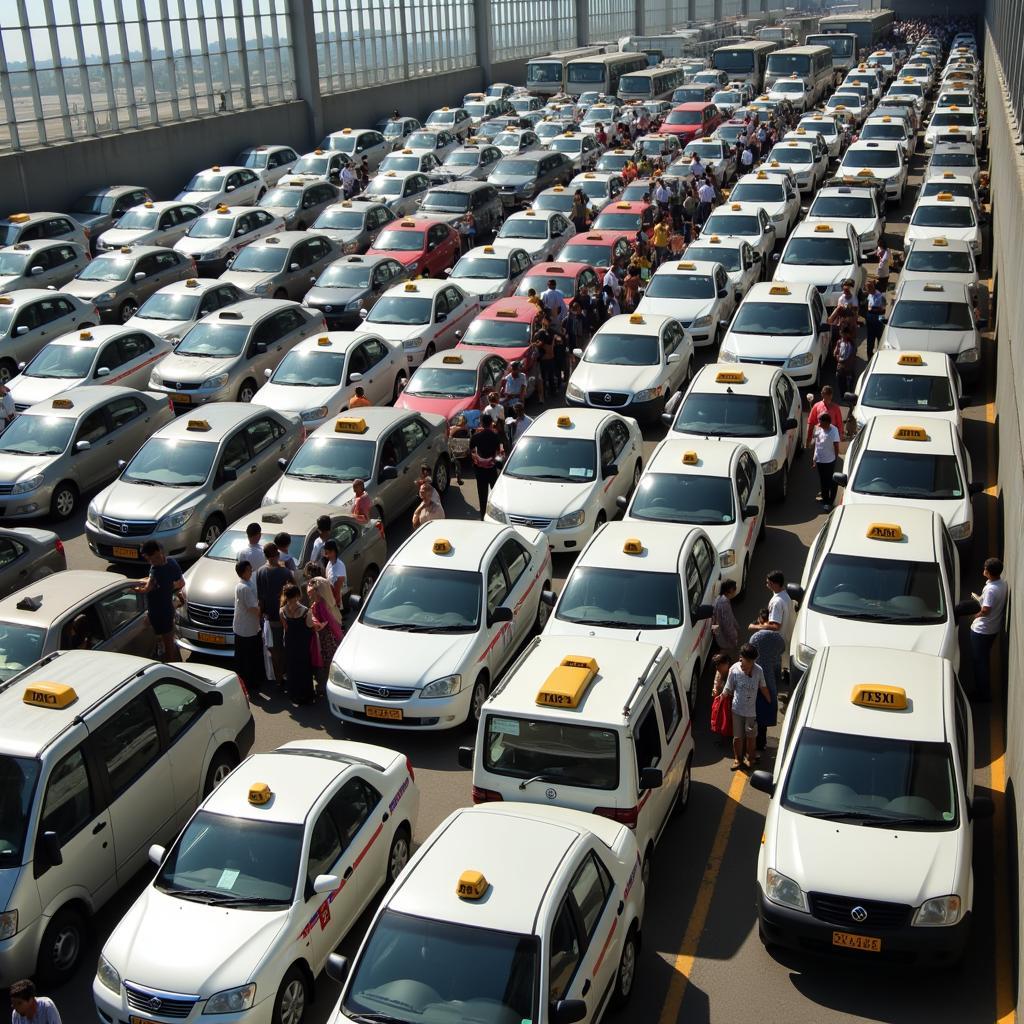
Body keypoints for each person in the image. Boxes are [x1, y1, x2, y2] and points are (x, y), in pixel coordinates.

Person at [714, 644, 772, 770]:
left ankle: (750, 759)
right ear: (742, 658)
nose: (751, 663)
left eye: (753, 661)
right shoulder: (734, 669)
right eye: (749, 660)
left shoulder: (758, 670)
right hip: (737, 710)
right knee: (737, 737)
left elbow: (763, 687)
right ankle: (737, 759)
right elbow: (728, 688)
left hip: (751, 712)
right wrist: (720, 698)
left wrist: (770, 702)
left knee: (751, 737)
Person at [134, 541, 184, 662]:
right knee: (165, 641)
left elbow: (146, 589)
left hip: (161, 613)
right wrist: (170, 588)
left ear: (158, 552)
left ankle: (170, 665)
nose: (150, 561)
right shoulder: (169, 563)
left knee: (168, 644)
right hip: (159, 611)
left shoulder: (156, 570)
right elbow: (180, 582)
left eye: (150, 558)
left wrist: (133, 588)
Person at [970, 557, 1008, 700]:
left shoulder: (991, 590)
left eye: (985, 568)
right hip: (992, 628)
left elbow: (986, 609)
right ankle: (983, 691)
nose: (984, 569)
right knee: (983, 659)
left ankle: (982, 694)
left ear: (989, 572)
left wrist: (976, 615)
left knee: (979, 662)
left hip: (982, 630)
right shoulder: (1001, 584)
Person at [256, 543, 292, 686]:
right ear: (277, 555)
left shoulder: (260, 572)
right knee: (283, 648)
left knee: (273, 649)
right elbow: (294, 592)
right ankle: (284, 675)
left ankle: (278, 679)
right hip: (285, 616)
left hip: (268, 618)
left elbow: (261, 599)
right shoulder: (284, 572)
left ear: (265, 556)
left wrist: (260, 616)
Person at [750, 609, 785, 751]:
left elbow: (749, 657)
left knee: (752, 716)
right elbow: (781, 653)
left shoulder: (755, 638)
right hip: (771, 681)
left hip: (755, 682)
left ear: (760, 620)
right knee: (764, 717)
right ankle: (761, 743)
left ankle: (752, 746)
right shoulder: (778, 639)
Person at [280, 583, 315, 705]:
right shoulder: (306, 611)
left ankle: (294, 694)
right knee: (304, 669)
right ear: (298, 596)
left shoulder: (282, 611)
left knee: (292, 668)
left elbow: (286, 628)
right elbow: (311, 626)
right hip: (302, 644)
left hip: (290, 643)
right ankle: (305, 695)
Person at [233, 560, 265, 695]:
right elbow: (253, 608)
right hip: (247, 629)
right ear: (243, 572)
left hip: (245, 627)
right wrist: (262, 612)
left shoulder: (246, 584)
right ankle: (249, 683)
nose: (251, 571)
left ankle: (248, 680)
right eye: (249, 569)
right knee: (247, 658)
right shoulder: (244, 588)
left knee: (245, 656)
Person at [470, 413, 502, 518]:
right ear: (491, 423)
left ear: (482, 423)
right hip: (492, 468)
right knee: (494, 492)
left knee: (482, 494)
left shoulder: (476, 437)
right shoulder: (496, 436)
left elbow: (471, 450)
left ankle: (483, 515)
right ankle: (496, 514)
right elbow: (499, 451)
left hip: (480, 470)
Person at [811, 411, 841, 510]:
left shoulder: (834, 430)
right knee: (823, 481)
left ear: (827, 422)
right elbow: (817, 443)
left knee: (828, 481)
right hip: (820, 460)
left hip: (829, 461)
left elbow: (836, 446)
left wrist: (835, 458)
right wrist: (814, 457)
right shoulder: (819, 429)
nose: (819, 424)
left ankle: (829, 502)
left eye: (821, 422)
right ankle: (824, 499)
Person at [712, 579, 740, 662]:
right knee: (726, 653)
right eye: (735, 589)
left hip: (718, 633)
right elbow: (727, 624)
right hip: (724, 636)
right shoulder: (724, 603)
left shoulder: (719, 598)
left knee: (723, 652)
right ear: (731, 590)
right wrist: (734, 637)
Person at [864, 278, 886, 359]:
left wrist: (871, 309)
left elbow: (881, 309)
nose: (868, 289)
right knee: (870, 342)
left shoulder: (879, 295)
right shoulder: (870, 295)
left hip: (877, 321)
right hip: (870, 321)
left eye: (869, 287)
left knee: (879, 340)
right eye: (867, 287)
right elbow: (869, 307)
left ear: (873, 286)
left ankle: (881, 358)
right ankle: (869, 358)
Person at [322, 539, 346, 606]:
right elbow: (327, 579)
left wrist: (335, 604)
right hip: (331, 599)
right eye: (326, 553)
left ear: (334, 551)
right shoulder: (329, 564)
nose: (327, 555)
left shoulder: (340, 566)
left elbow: (338, 589)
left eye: (328, 553)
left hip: (339, 601)